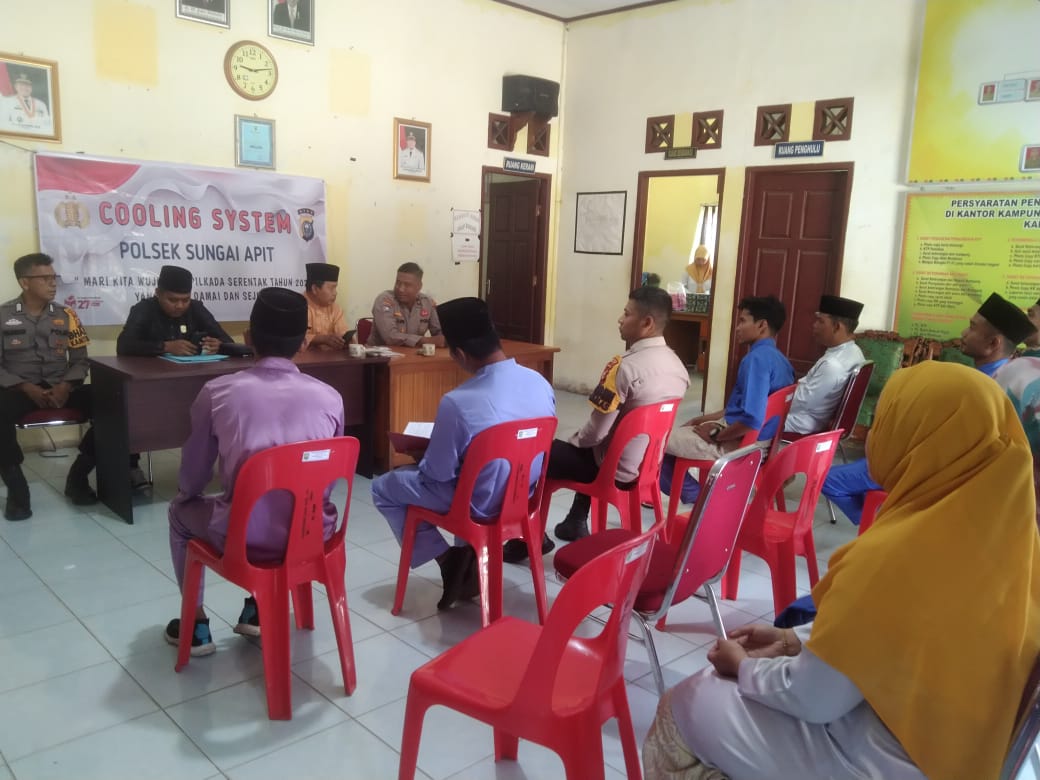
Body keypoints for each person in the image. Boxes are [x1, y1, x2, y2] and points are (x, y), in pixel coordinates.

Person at [643, 361, 1040, 780]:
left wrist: (743, 667)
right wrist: (792, 639)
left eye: (886, 422)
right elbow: (903, 638)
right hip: (962, 744)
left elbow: (816, 697)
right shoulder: (1016, 542)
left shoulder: (898, 555)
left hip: (896, 757)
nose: (874, 436)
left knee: (688, 703)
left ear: (918, 441)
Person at [164, 288, 344, 656]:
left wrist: (189, 496)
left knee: (179, 513)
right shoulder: (331, 397)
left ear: (248, 338)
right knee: (280, 501)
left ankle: (196, 625)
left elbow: (193, 478)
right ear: (302, 342)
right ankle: (258, 609)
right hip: (312, 534)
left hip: (243, 538)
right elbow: (325, 479)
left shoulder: (217, 393)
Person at [371, 297, 555, 610]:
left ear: (458, 354)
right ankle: (466, 558)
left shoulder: (458, 402)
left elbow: (437, 474)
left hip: (477, 504)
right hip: (523, 497)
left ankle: (449, 560)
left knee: (384, 488)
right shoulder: (539, 382)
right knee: (470, 469)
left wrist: (422, 456)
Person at [503, 286, 689, 562]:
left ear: (647, 323)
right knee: (593, 449)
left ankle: (526, 538)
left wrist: (573, 441)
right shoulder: (678, 367)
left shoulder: (625, 367)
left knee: (544, 453)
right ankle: (575, 520)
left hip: (613, 468)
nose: (620, 319)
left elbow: (594, 434)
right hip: (646, 465)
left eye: (627, 314)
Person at [822, 291, 1037, 525]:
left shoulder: (983, 387)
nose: (963, 333)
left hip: (917, 468)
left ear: (993, 343)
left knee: (826, 479)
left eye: (972, 327)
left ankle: (879, 524)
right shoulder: (1004, 379)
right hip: (919, 463)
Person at [659, 295, 794, 505]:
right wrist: (702, 419)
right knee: (679, 438)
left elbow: (752, 419)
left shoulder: (755, 360)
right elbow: (741, 409)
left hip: (743, 444)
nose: (737, 328)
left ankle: (702, 499)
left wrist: (717, 435)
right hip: (766, 442)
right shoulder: (782, 361)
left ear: (761, 325)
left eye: (742, 321)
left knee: (655, 442)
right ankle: (700, 493)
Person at [0, 253, 96, 520]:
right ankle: (17, 490)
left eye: (54, 277)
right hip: (18, 390)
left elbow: (80, 359)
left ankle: (78, 477)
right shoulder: (2, 316)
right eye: (45, 278)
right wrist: (24, 386)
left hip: (60, 388)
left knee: (114, 404)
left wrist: (66, 385)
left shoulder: (67, 315)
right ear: (25, 282)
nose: (53, 283)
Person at [784, 294, 865, 435]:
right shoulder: (855, 351)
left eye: (820, 321)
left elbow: (801, 403)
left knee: (751, 419)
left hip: (801, 422)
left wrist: (769, 403)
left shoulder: (832, 365)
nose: (814, 325)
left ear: (837, 327)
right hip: (810, 417)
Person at [117, 265, 233, 358]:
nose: (180, 306)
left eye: (186, 300)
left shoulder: (196, 308)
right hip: (152, 373)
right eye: (172, 300)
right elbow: (124, 346)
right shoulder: (144, 308)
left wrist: (219, 345)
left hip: (192, 371)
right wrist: (165, 347)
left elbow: (228, 341)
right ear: (158, 293)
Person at [367, 262, 444, 348]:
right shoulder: (385, 300)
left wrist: (446, 338)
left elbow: (439, 333)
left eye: (407, 285)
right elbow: (390, 337)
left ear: (419, 286)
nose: (401, 289)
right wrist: (424, 340)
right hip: (379, 354)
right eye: (398, 283)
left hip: (413, 353)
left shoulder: (427, 302)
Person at [302, 262, 348, 351]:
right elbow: (296, 339)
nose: (335, 293)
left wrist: (346, 339)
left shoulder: (335, 308)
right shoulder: (298, 307)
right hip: (303, 359)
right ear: (315, 289)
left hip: (331, 358)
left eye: (335, 288)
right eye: (331, 288)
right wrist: (322, 339)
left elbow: (343, 333)